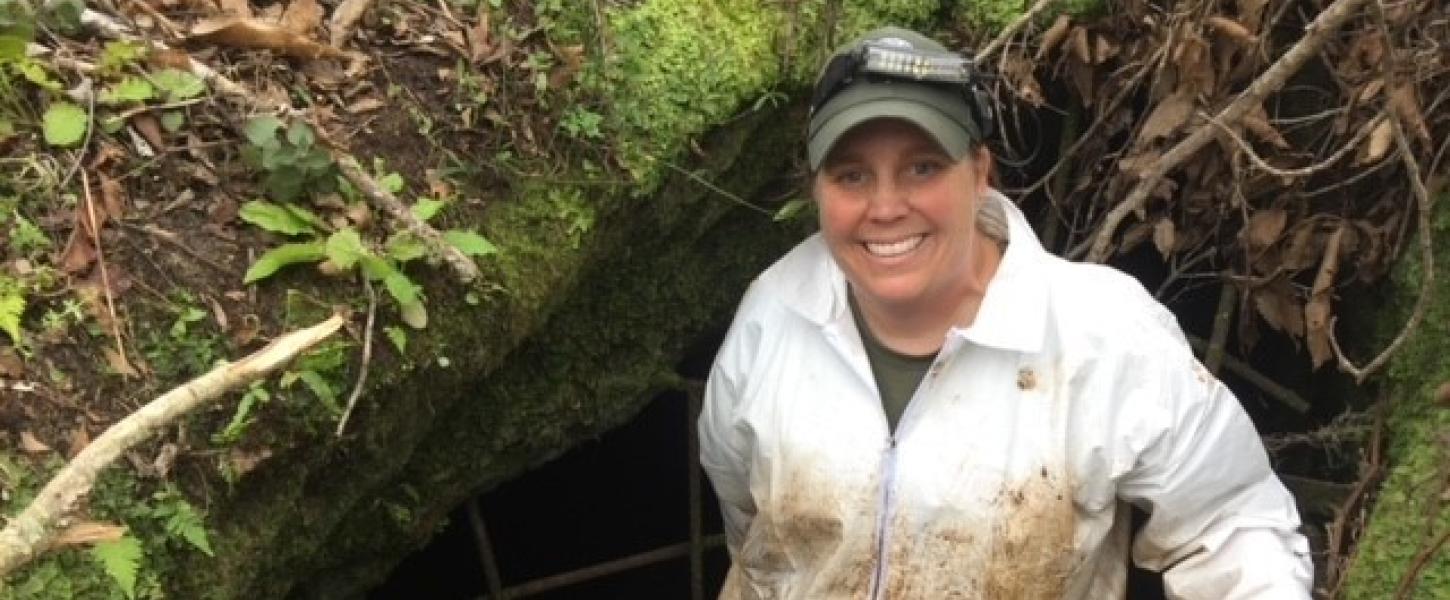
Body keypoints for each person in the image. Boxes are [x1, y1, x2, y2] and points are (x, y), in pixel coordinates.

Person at [697, 26, 1312, 599]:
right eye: (852, 174)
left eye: (922, 167)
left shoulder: (1099, 333)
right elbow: (749, 522)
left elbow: (1233, 522)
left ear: (980, 172)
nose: (885, 207)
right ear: (818, 190)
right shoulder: (772, 317)